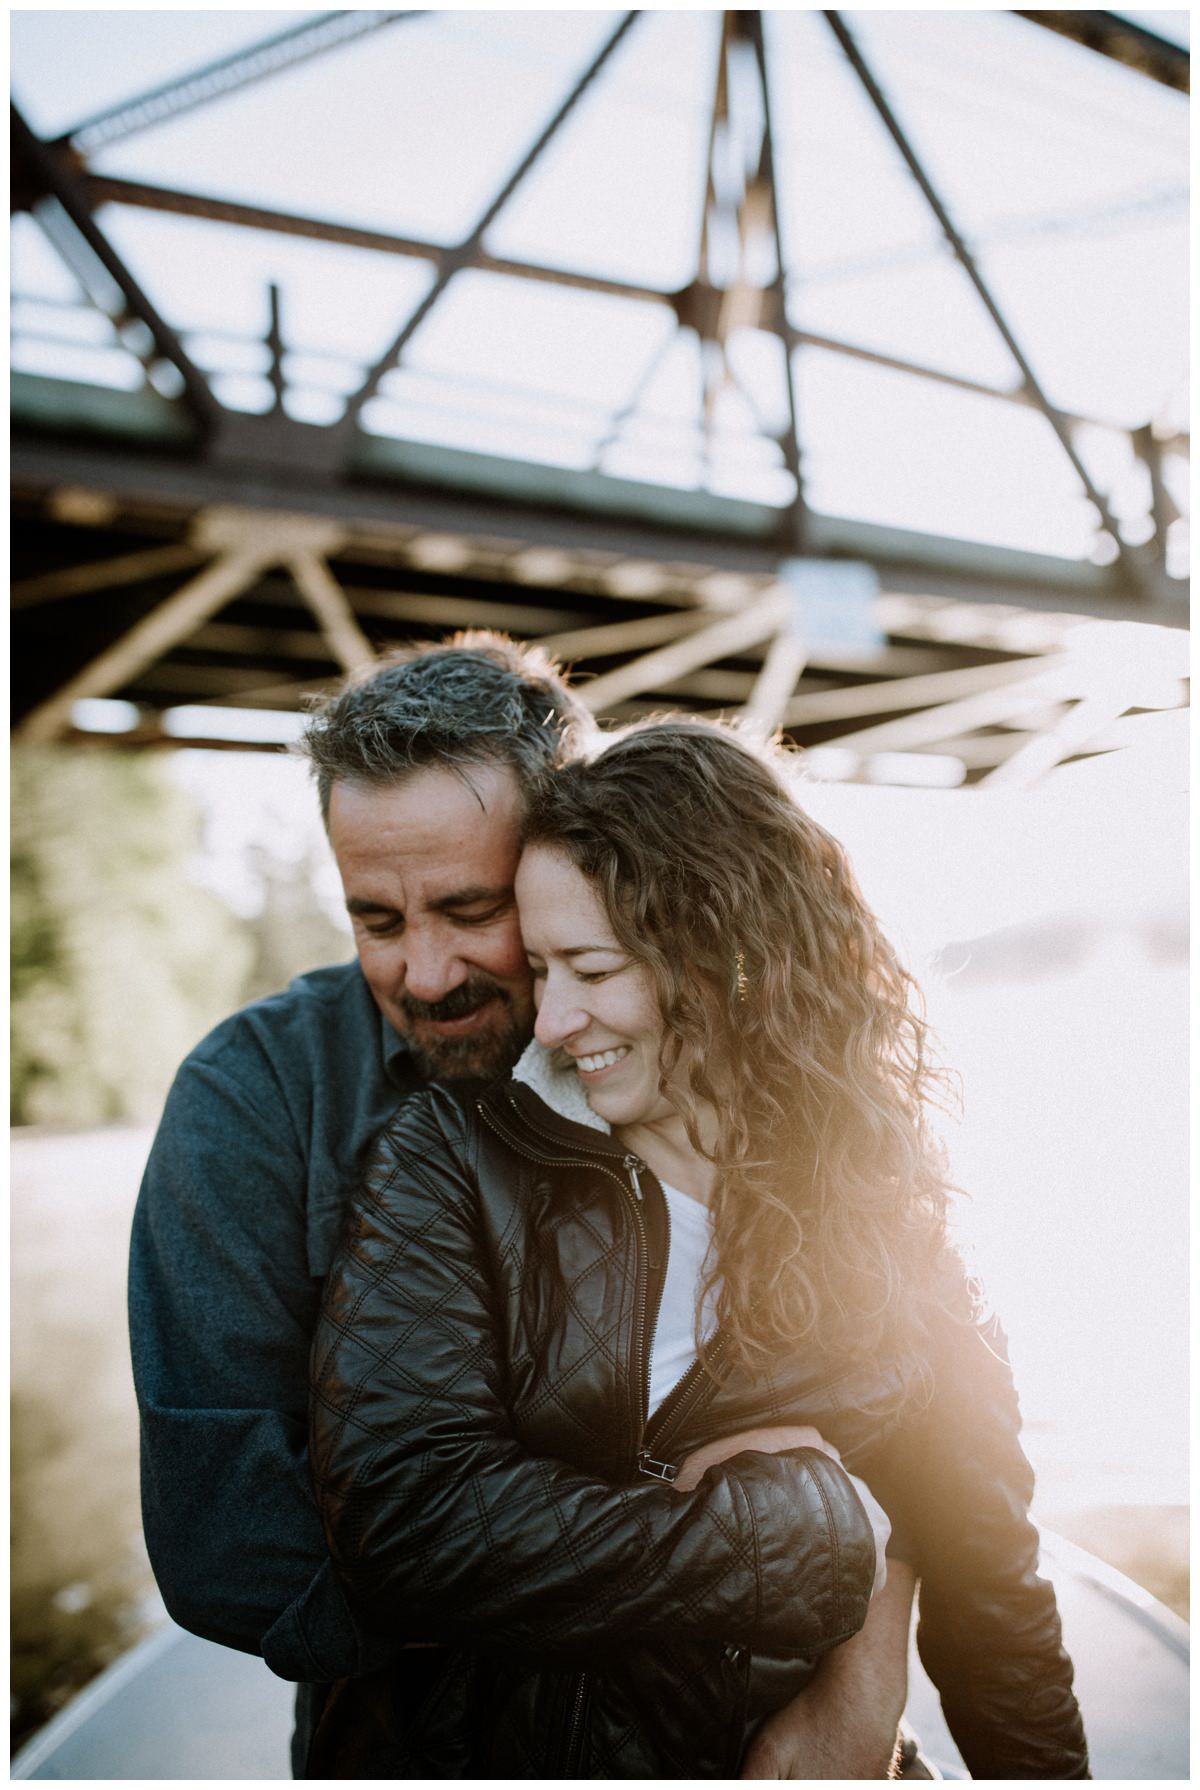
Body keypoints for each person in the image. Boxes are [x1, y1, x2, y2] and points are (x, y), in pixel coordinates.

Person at [129, 636, 914, 1779]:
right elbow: (233, 1549)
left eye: (472, 907)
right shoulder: (251, 1098)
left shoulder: (736, 1068)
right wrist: (760, 1547)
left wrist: (871, 1652)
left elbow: (905, 1406)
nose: (428, 972)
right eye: (377, 919)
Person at [309, 720, 1091, 1779]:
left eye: (592, 968)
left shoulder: (892, 1210)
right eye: (541, 968)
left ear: (730, 960)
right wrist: (798, 1538)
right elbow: (406, 1521)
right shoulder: (457, 1156)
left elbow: (996, 1601)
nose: (553, 1019)